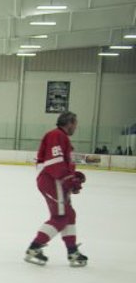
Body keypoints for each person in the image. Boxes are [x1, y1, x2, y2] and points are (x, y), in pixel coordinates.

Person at [25, 111, 88, 267]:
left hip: (57, 180)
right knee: (61, 216)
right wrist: (69, 179)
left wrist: (73, 176)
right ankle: (34, 248)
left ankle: (72, 251)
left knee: (69, 215)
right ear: (69, 123)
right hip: (52, 180)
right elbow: (54, 162)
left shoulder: (61, 137)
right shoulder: (56, 135)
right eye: (75, 124)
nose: (76, 127)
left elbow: (60, 163)